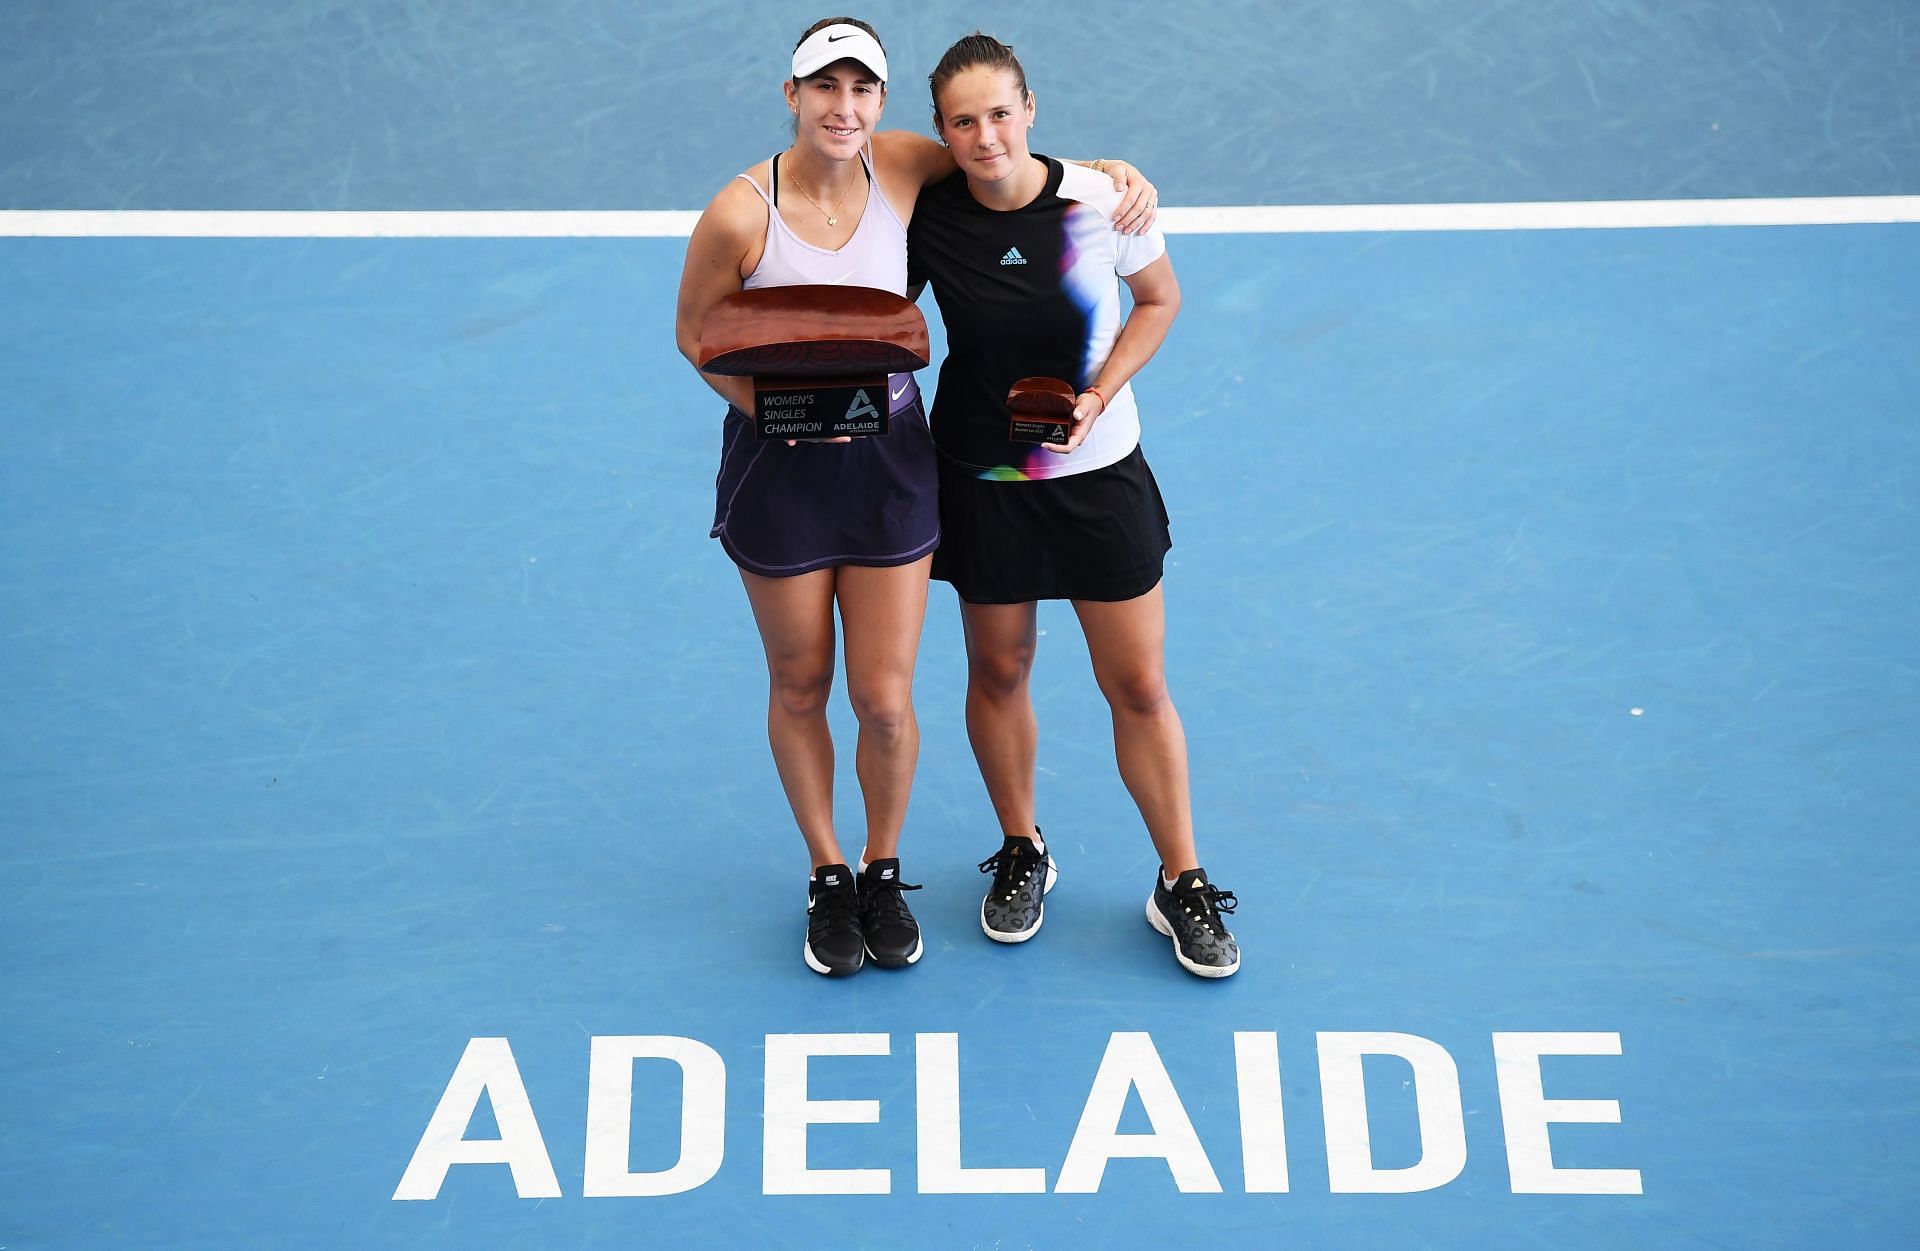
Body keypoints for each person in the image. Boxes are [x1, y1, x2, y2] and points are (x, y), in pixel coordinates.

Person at [673, 18, 1159, 977]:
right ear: (791, 96)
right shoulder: (738, 212)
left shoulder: (904, 165)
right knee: (802, 681)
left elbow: (1006, 157)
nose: (841, 108)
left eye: (860, 91)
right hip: (782, 477)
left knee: (885, 702)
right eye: (824, 89)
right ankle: (827, 871)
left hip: (893, 466)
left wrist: (1109, 170)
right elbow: (697, 338)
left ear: (882, 106)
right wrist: (786, 414)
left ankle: (882, 867)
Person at [906, 33, 1241, 977]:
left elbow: (1160, 301)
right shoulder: (926, 215)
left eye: (1000, 114)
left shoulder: (1106, 202)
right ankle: (1023, 848)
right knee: (999, 668)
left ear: (1032, 108)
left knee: (1137, 684)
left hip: (1099, 475)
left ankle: (1181, 878)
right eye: (963, 122)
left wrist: (1098, 393)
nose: (985, 136)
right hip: (986, 476)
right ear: (941, 131)